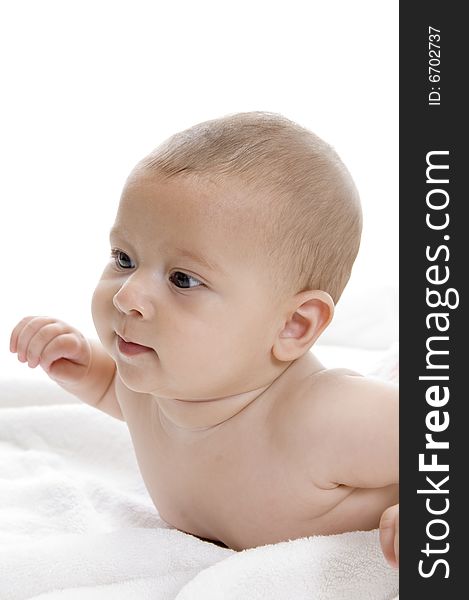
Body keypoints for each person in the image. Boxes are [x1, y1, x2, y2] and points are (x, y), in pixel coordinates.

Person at [9, 111, 399, 568]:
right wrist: (83, 368)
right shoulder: (153, 386)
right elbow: (115, 391)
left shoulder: (325, 417)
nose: (128, 296)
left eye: (182, 279)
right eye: (124, 258)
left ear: (294, 325)